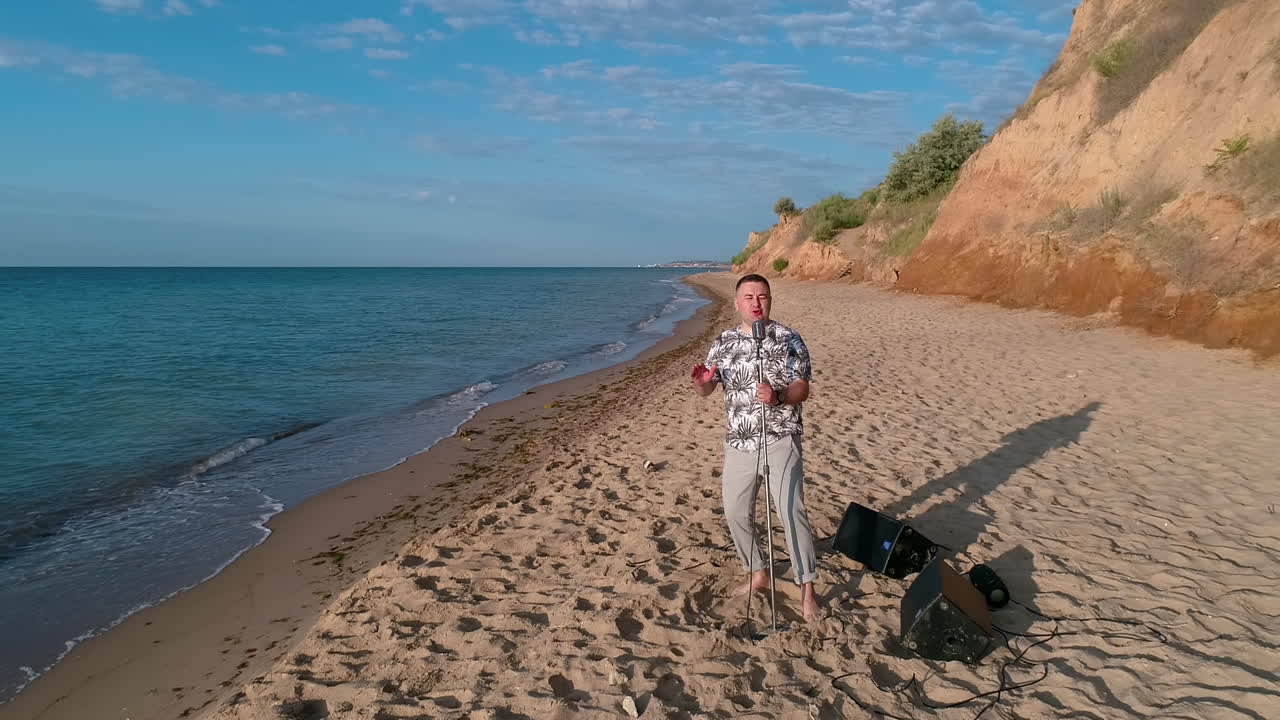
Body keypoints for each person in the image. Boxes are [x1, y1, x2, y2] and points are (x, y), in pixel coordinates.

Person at [690, 273, 821, 623]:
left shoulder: (788, 338)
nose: (756, 303)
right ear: (737, 303)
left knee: (791, 513)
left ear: (770, 300)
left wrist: (778, 396)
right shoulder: (723, 342)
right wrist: (702, 384)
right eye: (748, 297)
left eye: (762, 296)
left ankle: (808, 588)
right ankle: (758, 571)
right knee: (734, 511)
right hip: (740, 442)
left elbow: (801, 388)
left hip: (780, 436)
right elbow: (708, 388)